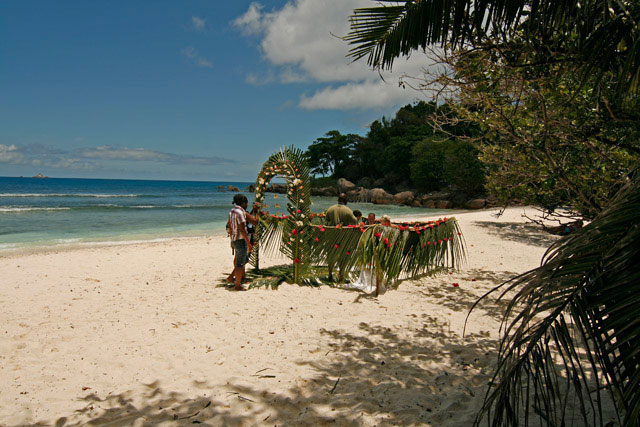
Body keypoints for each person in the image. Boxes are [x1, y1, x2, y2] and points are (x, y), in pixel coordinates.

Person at [227, 194, 258, 291]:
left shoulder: (232, 211)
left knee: (240, 261)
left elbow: (230, 227)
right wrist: (249, 244)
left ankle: (233, 278)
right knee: (241, 263)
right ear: (243, 203)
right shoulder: (241, 213)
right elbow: (244, 229)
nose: (247, 205)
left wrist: (231, 240)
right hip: (241, 240)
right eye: (246, 203)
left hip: (235, 239)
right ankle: (237, 285)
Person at [324, 193, 357, 281]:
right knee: (343, 256)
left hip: (332, 236)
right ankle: (341, 276)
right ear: (345, 200)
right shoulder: (348, 210)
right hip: (344, 237)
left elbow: (326, 221)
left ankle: (330, 274)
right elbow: (355, 222)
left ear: (338, 199)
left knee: (331, 255)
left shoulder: (330, 209)